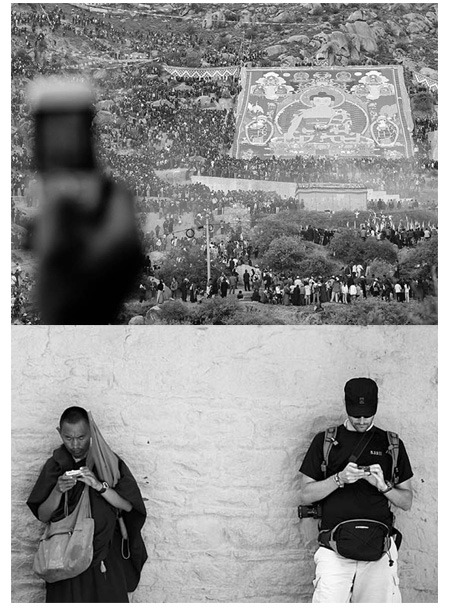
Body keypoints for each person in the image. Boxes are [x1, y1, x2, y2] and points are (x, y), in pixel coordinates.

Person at [298, 378, 413, 603]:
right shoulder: (326, 441)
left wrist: (384, 486)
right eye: (356, 414)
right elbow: (305, 494)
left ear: (376, 406)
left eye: (367, 414)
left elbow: (407, 501)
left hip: (379, 552)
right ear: (346, 405)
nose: (361, 420)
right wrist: (339, 478)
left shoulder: (391, 444)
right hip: (334, 550)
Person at [27, 406, 147, 603]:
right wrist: (58, 490)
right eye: (68, 437)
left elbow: (128, 507)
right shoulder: (55, 466)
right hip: (65, 558)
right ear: (59, 433)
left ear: (91, 431)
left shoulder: (107, 462)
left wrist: (99, 486)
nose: (75, 444)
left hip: (105, 557)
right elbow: (43, 515)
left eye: (81, 437)